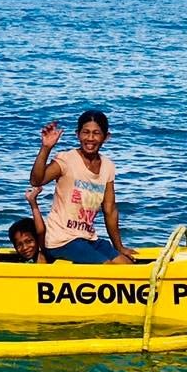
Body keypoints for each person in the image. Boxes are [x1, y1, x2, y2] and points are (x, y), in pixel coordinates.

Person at [29, 109, 136, 264]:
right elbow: (36, 180)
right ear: (77, 134)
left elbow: (110, 209)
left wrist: (119, 247)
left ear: (106, 137)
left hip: (88, 238)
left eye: (96, 133)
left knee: (126, 265)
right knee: (108, 268)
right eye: (85, 132)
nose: (90, 138)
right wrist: (46, 148)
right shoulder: (66, 160)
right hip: (62, 240)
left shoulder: (108, 166)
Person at [4, 185, 50, 263]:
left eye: (29, 241)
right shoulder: (19, 261)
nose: (25, 247)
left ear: (37, 240)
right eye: (19, 245)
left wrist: (33, 202)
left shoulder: (43, 255)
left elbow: (41, 231)